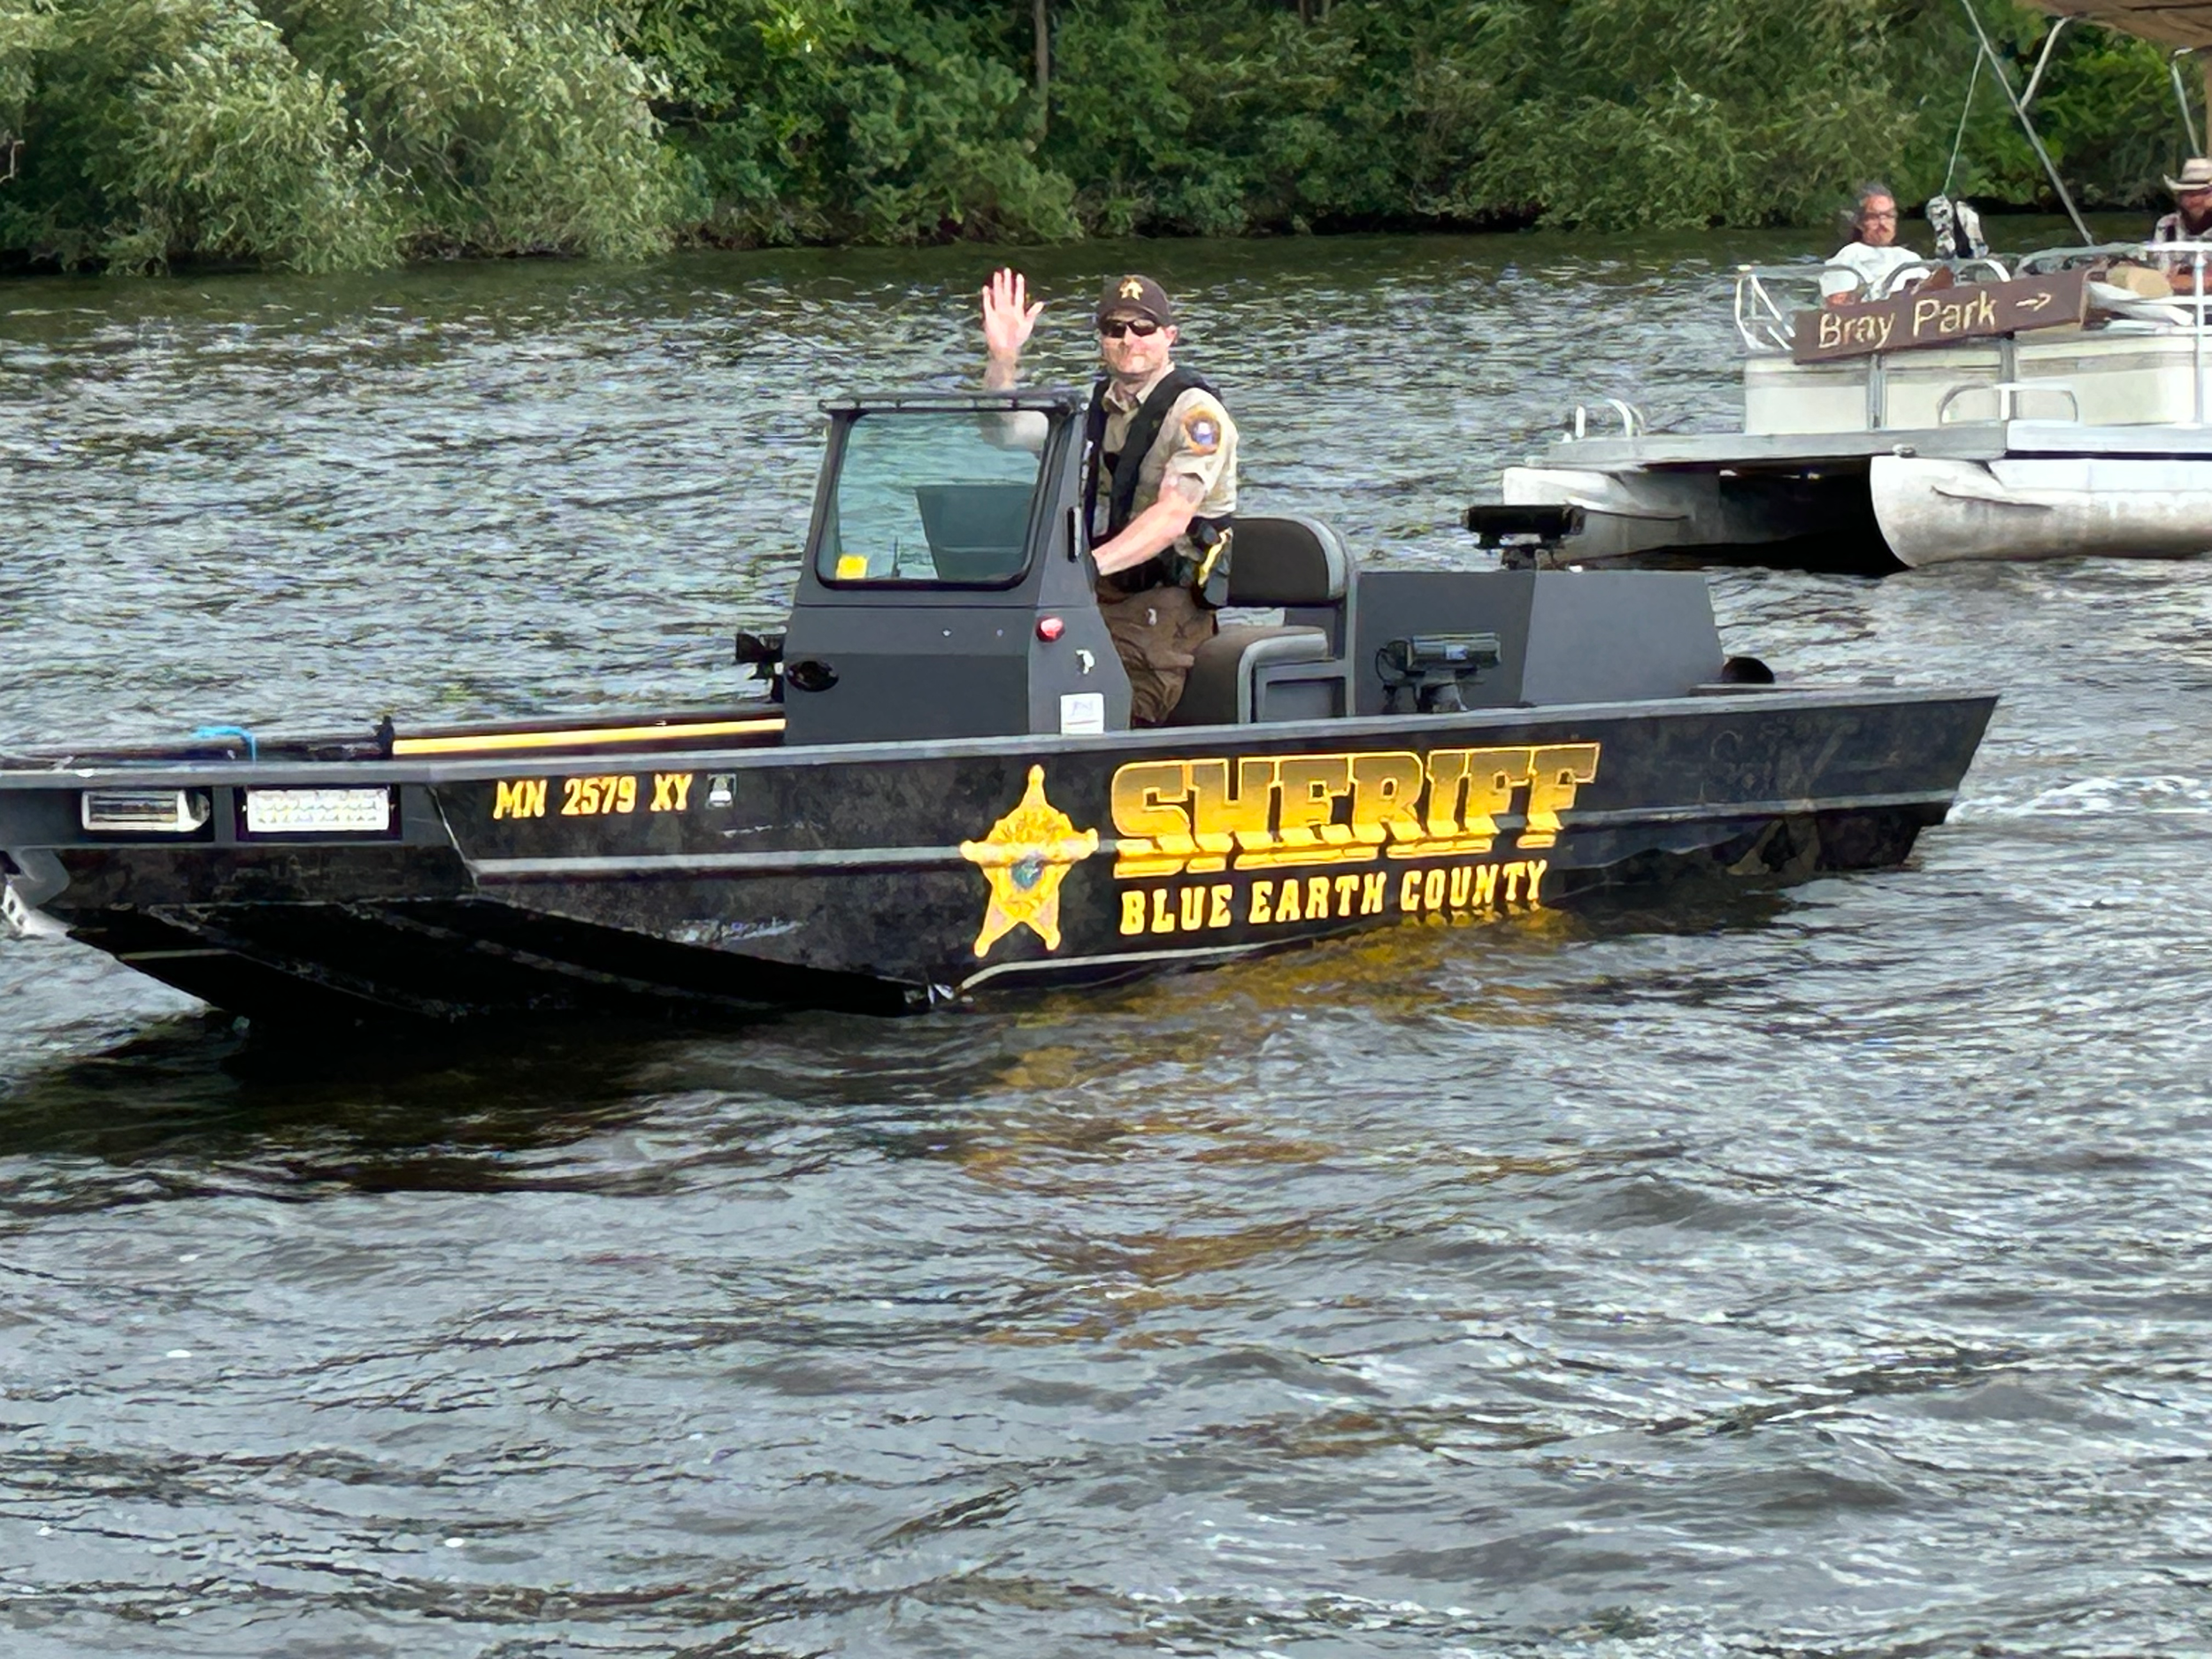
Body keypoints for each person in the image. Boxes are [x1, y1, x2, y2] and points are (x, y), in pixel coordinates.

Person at [981, 267, 1238, 726]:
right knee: (1006, 676)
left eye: (1143, 328)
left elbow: (1172, 515)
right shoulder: (1096, 408)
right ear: (1101, 339)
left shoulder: (1197, 416)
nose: (1129, 340)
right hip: (1094, 591)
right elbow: (1004, 432)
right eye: (1114, 328)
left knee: (1113, 705)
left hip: (1165, 603)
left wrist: (1084, 568)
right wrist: (1003, 358)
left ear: (1169, 336)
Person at [1820, 184, 1930, 308]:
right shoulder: (1849, 256)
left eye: (1889, 216)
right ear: (1860, 223)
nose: (1883, 223)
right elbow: (1837, 307)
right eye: (1873, 217)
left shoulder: (1910, 258)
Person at [2152, 157, 2212, 294]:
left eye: (2200, 193)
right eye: (2186, 194)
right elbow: (2160, 269)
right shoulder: (2167, 225)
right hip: (2170, 303)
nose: (2192, 201)